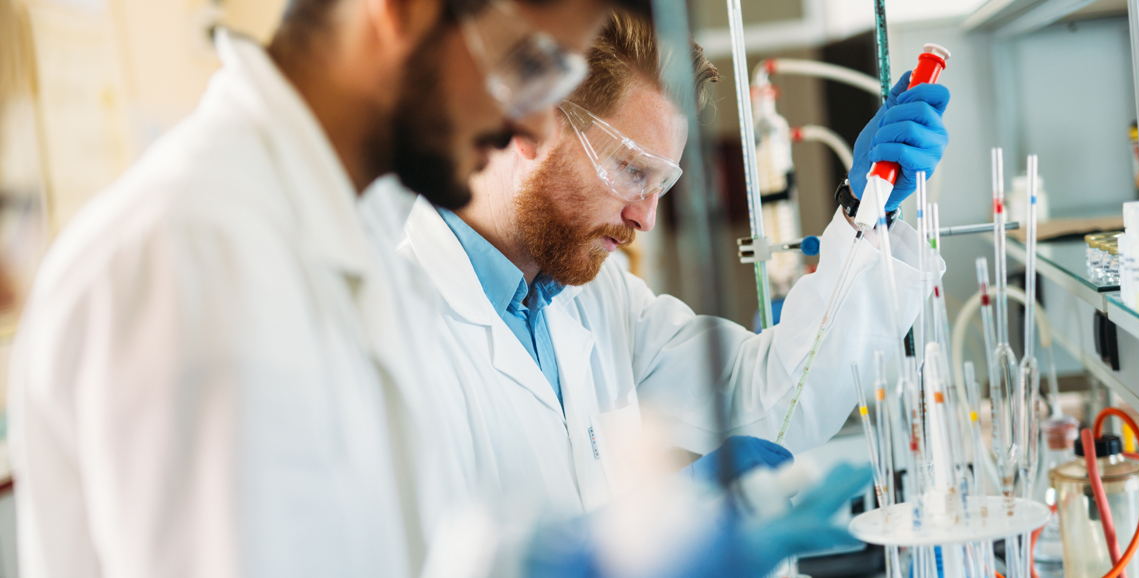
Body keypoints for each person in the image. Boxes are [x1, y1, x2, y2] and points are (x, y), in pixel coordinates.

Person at [9, 1, 869, 577]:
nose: (533, 127)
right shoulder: (199, 252)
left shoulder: (340, 240)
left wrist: (577, 553)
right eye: (532, 69)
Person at [384, 10, 949, 515]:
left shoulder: (596, 301)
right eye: (632, 170)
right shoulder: (394, 326)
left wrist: (861, 214)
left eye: (662, 184)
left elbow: (771, 401)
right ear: (532, 122)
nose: (645, 218)